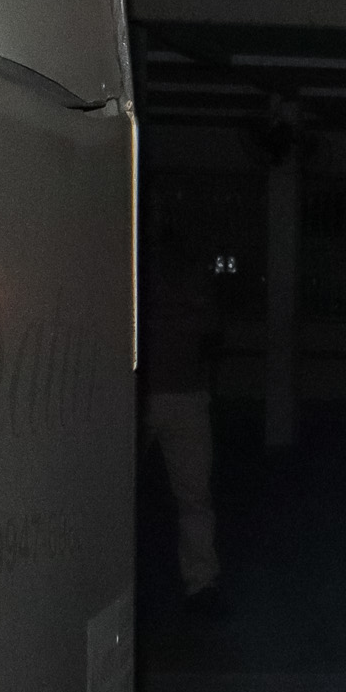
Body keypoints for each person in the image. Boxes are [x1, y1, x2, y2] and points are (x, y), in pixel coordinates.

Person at [140, 225, 222, 613]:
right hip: (143, 395)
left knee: (195, 496)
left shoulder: (193, 281)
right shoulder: (142, 278)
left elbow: (212, 330)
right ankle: (109, 582)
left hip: (183, 395)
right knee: (117, 493)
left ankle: (202, 581)